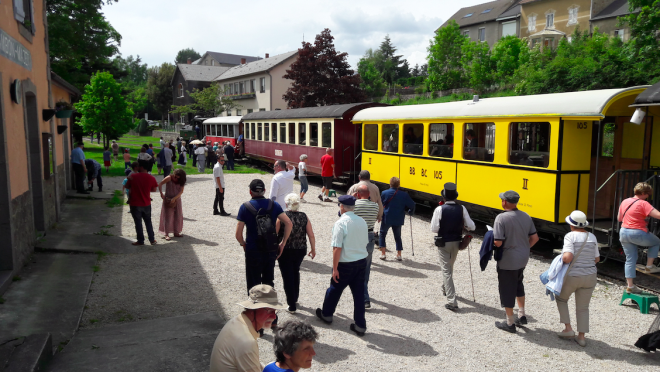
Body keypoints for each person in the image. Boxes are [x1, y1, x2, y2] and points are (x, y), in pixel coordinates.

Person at [316, 195, 369, 337]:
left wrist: (335, 268)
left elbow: (337, 248)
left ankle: (327, 314)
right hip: (361, 261)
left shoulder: (340, 223)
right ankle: (360, 325)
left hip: (346, 263)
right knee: (358, 294)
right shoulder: (362, 221)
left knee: (334, 289)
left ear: (341, 207)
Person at [493, 190, 539, 333]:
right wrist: (524, 248)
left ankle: (510, 323)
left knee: (507, 289)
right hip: (522, 258)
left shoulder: (501, 218)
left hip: (508, 260)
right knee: (518, 284)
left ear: (505, 202)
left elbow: (498, 242)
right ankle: (522, 315)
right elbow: (535, 238)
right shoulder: (526, 216)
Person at [209, 285, 285, 372]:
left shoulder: (237, 321)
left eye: (275, 311)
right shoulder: (246, 341)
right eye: (270, 311)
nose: (274, 316)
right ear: (253, 309)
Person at [236, 179, 293, 295]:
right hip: (270, 249)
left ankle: (255, 310)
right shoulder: (274, 205)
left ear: (250, 192)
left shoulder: (245, 207)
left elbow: (238, 234)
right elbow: (289, 223)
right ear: (264, 191)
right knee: (268, 281)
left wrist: (243, 243)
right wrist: (283, 243)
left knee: (253, 282)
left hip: (253, 249)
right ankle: (268, 311)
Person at [555, 210, 600, 347]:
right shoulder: (592, 236)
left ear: (571, 224)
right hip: (590, 276)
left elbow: (567, 257)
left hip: (573, 275)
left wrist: (560, 258)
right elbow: (596, 259)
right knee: (583, 307)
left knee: (561, 299)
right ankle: (581, 337)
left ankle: (568, 329)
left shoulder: (570, 236)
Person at [430, 182, 475, 311]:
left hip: (443, 242)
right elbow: (472, 226)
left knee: (446, 270)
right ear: (455, 196)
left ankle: (452, 301)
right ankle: (445, 287)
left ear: (444, 197)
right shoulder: (462, 209)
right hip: (457, 242)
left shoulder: (439, 209)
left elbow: (434, 228)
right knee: (449, 267)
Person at [275, 193, 316, 313]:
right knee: (295, 271)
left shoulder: (282, 216)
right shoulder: (304, 216)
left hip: (285, 249)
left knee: (287, 276)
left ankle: (291, 304)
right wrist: (313, 249)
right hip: (300, 249)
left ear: (287, 203)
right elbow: (311, 234)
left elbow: (275, 233)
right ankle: (295, 297)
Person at [618, 182, 660, 293]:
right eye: (648, 194)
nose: (648, 197)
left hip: (623, 232)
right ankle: (649, 266)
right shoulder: (643, 203)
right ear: (644, 193)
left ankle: (630, 286)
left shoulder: (625, 201)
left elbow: (619, 218)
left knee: (630, 259)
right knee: (656, 242)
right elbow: (658, 215)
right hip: (637, 233)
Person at [352, 184, 379, 309]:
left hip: (356, 236)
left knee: (353, 266)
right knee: (366, 267)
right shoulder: (375, 206)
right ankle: (363, 291)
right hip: (369, 236)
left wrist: (352, 198)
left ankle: (363, 297)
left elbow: (341, 212)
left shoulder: (355, 205)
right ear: (369, 194)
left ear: (358, 194)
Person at [379, 177, 415, 261]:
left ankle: (383, 254)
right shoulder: (404, 195)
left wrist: (379, 215)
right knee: (398, 236)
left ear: (390, 183)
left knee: (382, 234)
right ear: (398, 185)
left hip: (387, 217)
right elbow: (412, 204)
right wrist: (410, 212)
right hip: (398, 217)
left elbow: (380, 205)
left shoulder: (384, 193)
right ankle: (399, 254)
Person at [124, 162, 159, 246]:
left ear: (142, 167)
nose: (137, 167)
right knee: (148, 221)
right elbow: (154, 190)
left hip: (135, 203)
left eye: (138, 166)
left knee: (138, 222)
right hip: (146, 203)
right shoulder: (152, 178)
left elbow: (127, 186)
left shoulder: (133, 177)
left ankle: (140, 240)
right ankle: (152, 239)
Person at [158, 169, 186, 241]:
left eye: (177, 177)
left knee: (178, 215)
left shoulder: (181, 180)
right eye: (175, 176)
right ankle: (166, 233)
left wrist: (175, 198)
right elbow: (160, 184)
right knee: (168, 216)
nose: (176, 178)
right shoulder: (169, 178)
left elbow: (181, 191)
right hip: (168, 199)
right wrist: (161, 193)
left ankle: (176, 232)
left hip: (177, 199)